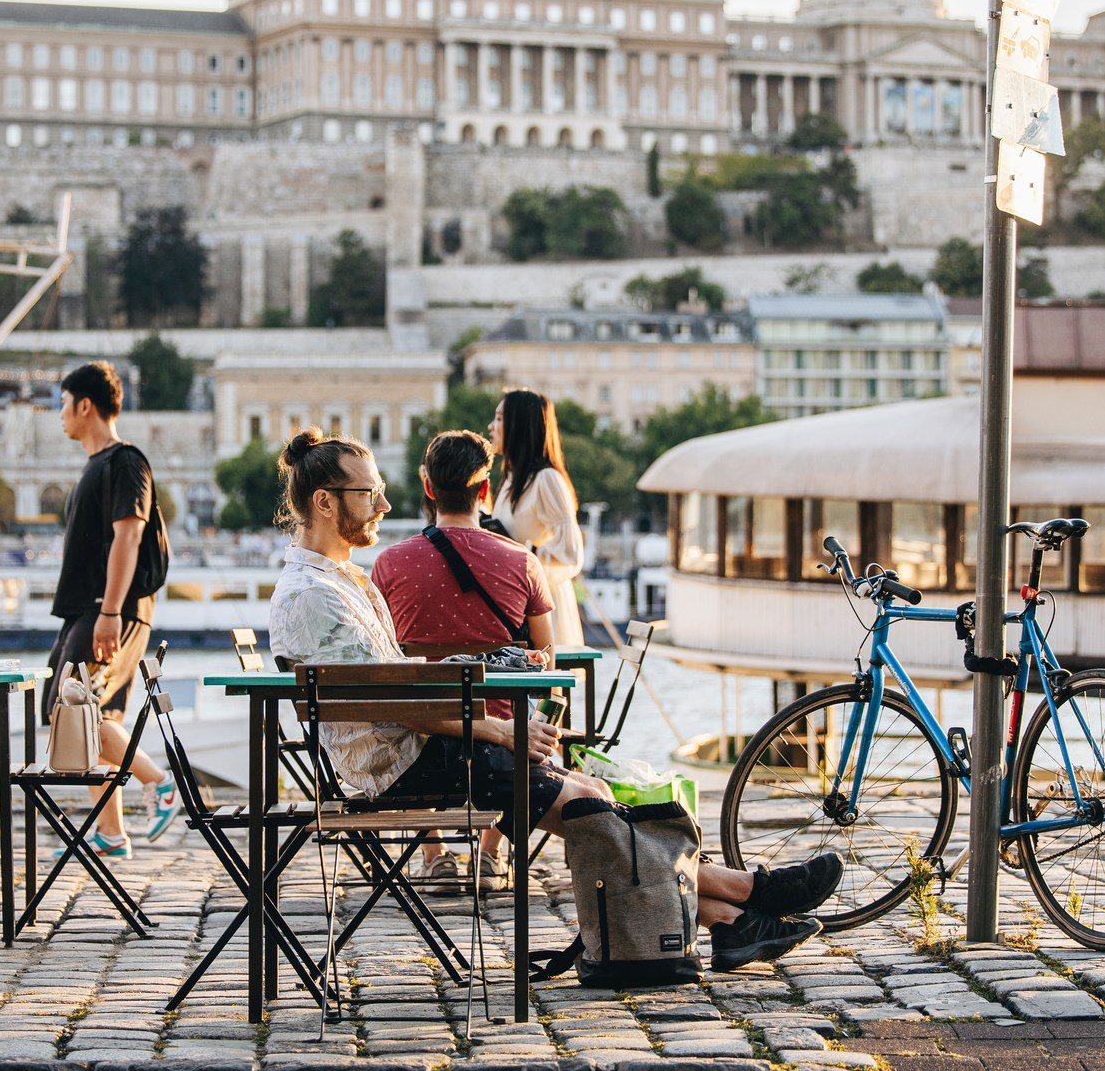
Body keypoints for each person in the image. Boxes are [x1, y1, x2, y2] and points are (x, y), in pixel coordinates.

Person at [268, 428, 837, 972]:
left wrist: (478, 700)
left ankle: (730, 918)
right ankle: (747, 893)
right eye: (369, 493)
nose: (383, 505)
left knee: (595, 795)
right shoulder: (314, 595)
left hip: (417, 750)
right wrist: (494, 729)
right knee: (592, 809)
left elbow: (394, 686)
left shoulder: (343, 580)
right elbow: (384, 703)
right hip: (400, 766)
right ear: (324, 501)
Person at [371, 429, 556, 893]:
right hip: (505, 744)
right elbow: (545, 660)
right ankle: (491, 855)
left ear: (428, 488)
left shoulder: (390, 565)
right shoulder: (523, 563)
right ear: (485, 491)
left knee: (415, 711)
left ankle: (433, 858)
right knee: (519, 703)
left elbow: (380, 658)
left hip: (420, 747)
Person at [47, 361, 171, 855]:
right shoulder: (95, 466)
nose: (60, 413)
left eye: (63, 402)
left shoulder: (124, 461)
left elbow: (129, 533)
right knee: (93, 716)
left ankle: (158, 782)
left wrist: (110, 611)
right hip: (91, 608)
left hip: (108, 607)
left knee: (73, 708)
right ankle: (111, 832)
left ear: (85, 405)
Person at [491, 389, 585, 650]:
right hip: (518, 603)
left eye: (499, 419)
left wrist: (524, 557)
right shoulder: (510, 482)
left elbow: (571, 554)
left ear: (518, 426)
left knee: (546, 687)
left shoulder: (547, 480)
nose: (491, 427)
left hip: (543, 606)